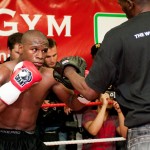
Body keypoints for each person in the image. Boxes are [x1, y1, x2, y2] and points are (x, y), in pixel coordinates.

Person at [53, 0, 150, 149]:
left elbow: (89, 92)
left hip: (145, 131)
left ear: (130, 3)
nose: (121, 9)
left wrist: (67, 68)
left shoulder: (118, 35)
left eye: (121, 4)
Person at [0, 30, 87, 150]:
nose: (40, 56)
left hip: (29, 139)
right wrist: (14, 86)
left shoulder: (49, 76)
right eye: (34, 49)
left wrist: (89, 91)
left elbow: (74, 104)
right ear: (20, 48)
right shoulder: (3, 72)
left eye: (44, 51)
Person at [37, 37, 76, 150]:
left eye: (54, 55)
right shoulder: (36, 70)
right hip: (41, 124)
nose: (52, 60)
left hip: (63, 123)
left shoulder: (64, 69)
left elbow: (72, 91)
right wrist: (40, 100)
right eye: (48, 57)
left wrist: (68, 101)